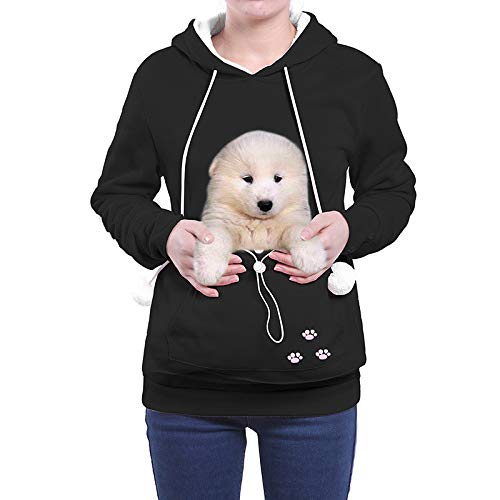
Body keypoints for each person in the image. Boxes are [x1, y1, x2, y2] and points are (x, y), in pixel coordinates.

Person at [91, 1, 416, 498]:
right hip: (188, 379)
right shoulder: (162, 76)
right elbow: (117, 194)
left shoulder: (353, 75)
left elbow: (392, 191)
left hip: (314, 378)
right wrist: (165, 235)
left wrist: (349, 230)